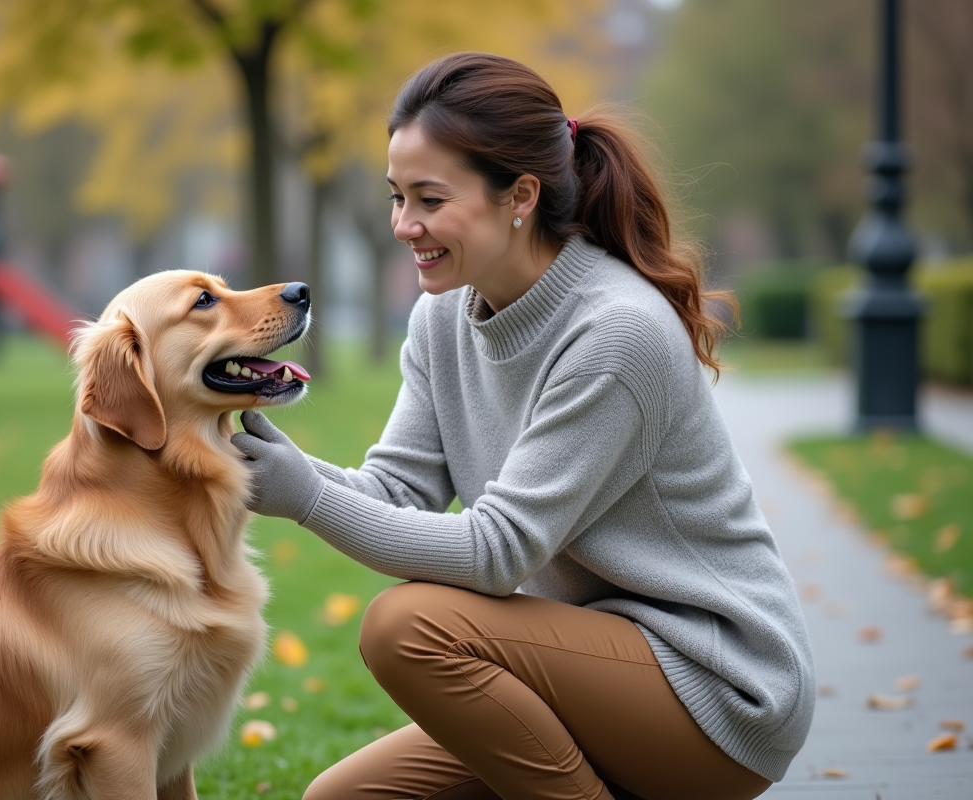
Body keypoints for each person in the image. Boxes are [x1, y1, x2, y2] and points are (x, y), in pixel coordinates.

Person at [232, 52, 814, 800]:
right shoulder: (443, 315)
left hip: (717, 694)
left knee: (408, 626)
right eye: (396, 196)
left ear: (521, 195)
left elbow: (497, 551)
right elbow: (397, 490)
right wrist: (272, 460)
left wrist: (304, 497)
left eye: (429, 199)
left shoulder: (614, 332)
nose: (404, 225)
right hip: (578, 672)